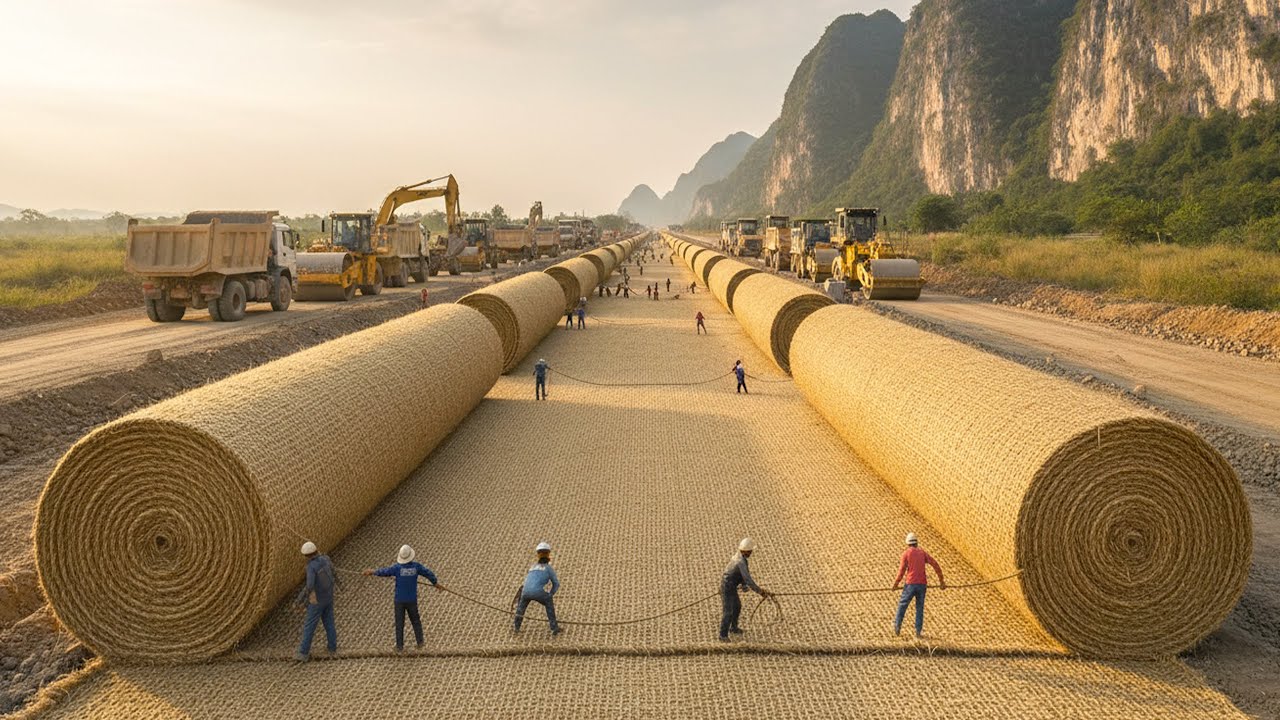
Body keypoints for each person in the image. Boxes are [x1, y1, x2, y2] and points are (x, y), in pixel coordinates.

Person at [363, 544, 442, 653]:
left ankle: (399, 646)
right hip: (411, 600)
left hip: (399, 600)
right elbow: (428, 573)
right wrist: (435, 583)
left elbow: (385, 572)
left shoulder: (397, 568)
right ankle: (420, 642)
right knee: (415, 621)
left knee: (399, 623)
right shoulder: (416, 567)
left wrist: (372, 572)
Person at [892, 533, 946, 638]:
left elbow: (902, 570)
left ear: (908, 543)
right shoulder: (922, 553)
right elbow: (935, 564)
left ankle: (897, 627)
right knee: (919, 608)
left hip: (910, 584)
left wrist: (896, 584)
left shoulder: (906, 554)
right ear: (916, 543)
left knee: (902, 605)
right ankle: (918, 632)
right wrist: (941, 581)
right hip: (922, 585)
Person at [295, 541, 339, 662]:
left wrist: (300, 600)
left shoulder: (311, 566)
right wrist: (341, 586)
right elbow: (334, 573)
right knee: (329, 622)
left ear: (306, 555)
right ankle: (332, 647)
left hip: (317, 600)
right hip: (329, 597)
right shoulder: (326, 559)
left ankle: (303, 653)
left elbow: (309, 586)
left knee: (310, 625)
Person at [720, 538, 770, 641]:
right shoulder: (740, 561)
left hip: (732, 585)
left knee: (737, 606)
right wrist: (760, 591)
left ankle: (733, 628)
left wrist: (743, 584)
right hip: (727, 587)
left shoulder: (741, 557)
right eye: (750, 551)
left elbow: (742, 575)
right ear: (745, 551)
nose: (751, 553)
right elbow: (748, 579)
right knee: (728, 611)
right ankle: (723, 635)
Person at [514, 541, 561, 635]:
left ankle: (516, 626)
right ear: (548, 555)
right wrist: (550, 594)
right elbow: (556, 584)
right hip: (538, 592)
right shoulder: (548, 568)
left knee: (521, 607)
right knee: (549, 602)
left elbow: (527, 581)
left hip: (525, 591)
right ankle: (554, 628)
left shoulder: (532, 567)